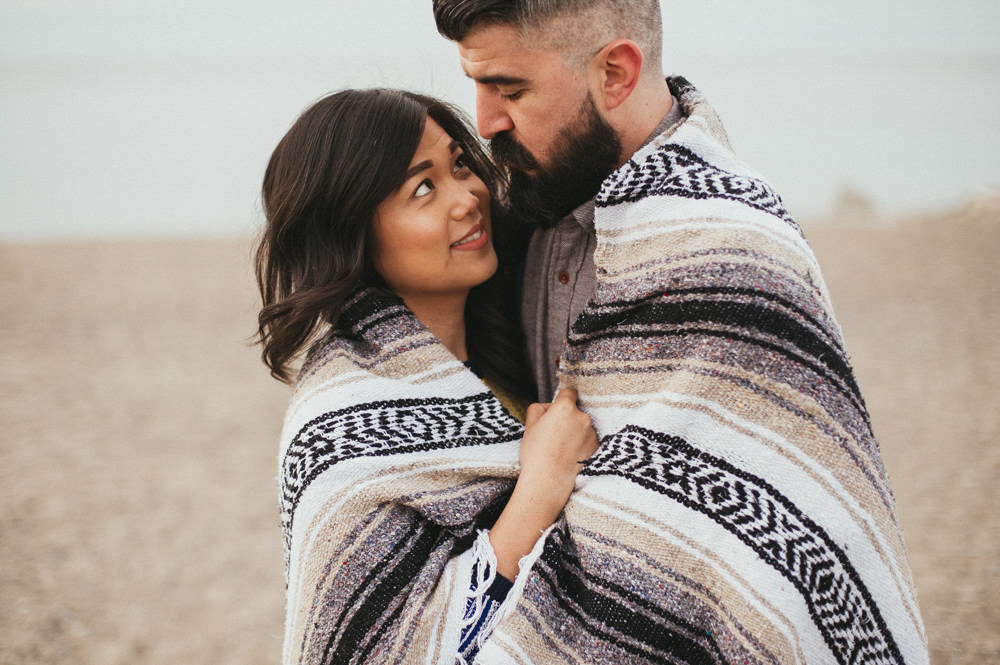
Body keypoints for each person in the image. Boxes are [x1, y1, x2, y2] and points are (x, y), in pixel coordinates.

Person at [433, 1, 930, 663]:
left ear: (616, 73)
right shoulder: (529, 207)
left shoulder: (733, 251)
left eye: (510, 90)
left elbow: (793, 554)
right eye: (476, 84)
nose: (486, 120)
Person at [254, 88, 598, 665]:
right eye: (423, 188)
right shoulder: (341, 423)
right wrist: (541, 486)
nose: (467, 198)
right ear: (353, 234)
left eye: (460, 165)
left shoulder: (510, 352)